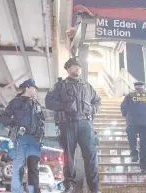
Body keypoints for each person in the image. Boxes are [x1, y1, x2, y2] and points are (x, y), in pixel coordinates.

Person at [45, 57, 101, 193]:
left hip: (86, 124)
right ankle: (69, 184)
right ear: (68, 69)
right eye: (75, 66)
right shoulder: (60, 86)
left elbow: (97, 101)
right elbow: (48, 102)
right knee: (68, 156)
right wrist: (64, 106)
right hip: (68, 124)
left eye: (79, 67)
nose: (77, 68)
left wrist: (92, 109)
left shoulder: (87, 86)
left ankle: (94, 188)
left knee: (91, 156)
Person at [0, 79, 45, 193]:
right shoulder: (16, 102)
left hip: (34, 141)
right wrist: (13, 124)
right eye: (34, 88)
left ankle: (34, 191)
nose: (35, 90)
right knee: (19, 167)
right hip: (21, 139)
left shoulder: (36, 104)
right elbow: (4, 116)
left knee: (33, 169)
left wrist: (40, 137)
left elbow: (42, 121)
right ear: (28, 88)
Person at [120, 81, 146, 173]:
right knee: (145, 145)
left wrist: (125, 115)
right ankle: (144, 167)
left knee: (132, 138)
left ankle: (134, 154)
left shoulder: (129, 96)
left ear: (135, 87)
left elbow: (123, 107)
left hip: (132, 122)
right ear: (143, 87)